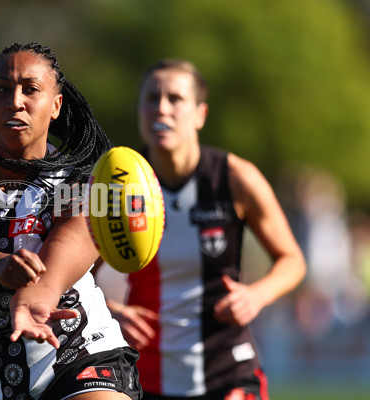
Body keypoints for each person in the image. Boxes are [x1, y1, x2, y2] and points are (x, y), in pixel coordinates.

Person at [0, 42, 142, 400]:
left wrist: (37, 298)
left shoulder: (80, 182)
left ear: (55, 105)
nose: (15, 101)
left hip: (80, 355)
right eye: (3, 89)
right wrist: (0, 265)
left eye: (30, 89)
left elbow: (66, 252)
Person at [96, 59, 306, 400]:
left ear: (200, 114)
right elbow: (74, 276)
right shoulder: (114, 185)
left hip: (229, 369)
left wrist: (256, 295)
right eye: (151, 98)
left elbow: (292, 260)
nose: (161, 108)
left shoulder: (235, 177)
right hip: (145, 375)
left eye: (175, 99)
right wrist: (112, 311)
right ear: (139, 110)